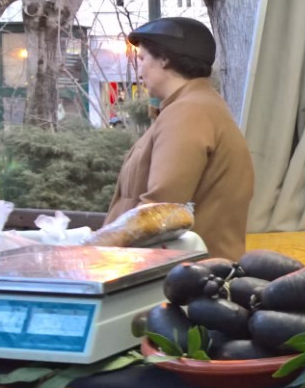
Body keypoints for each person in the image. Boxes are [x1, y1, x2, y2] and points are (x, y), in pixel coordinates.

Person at [105, 17, 255, 260]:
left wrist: (88, 249)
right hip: (191, 274)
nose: (139, 69)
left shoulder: (188, 112)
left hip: (179, 280)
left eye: (142, 59)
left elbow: (159, 211)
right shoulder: (199, 106)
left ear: (164, 58)